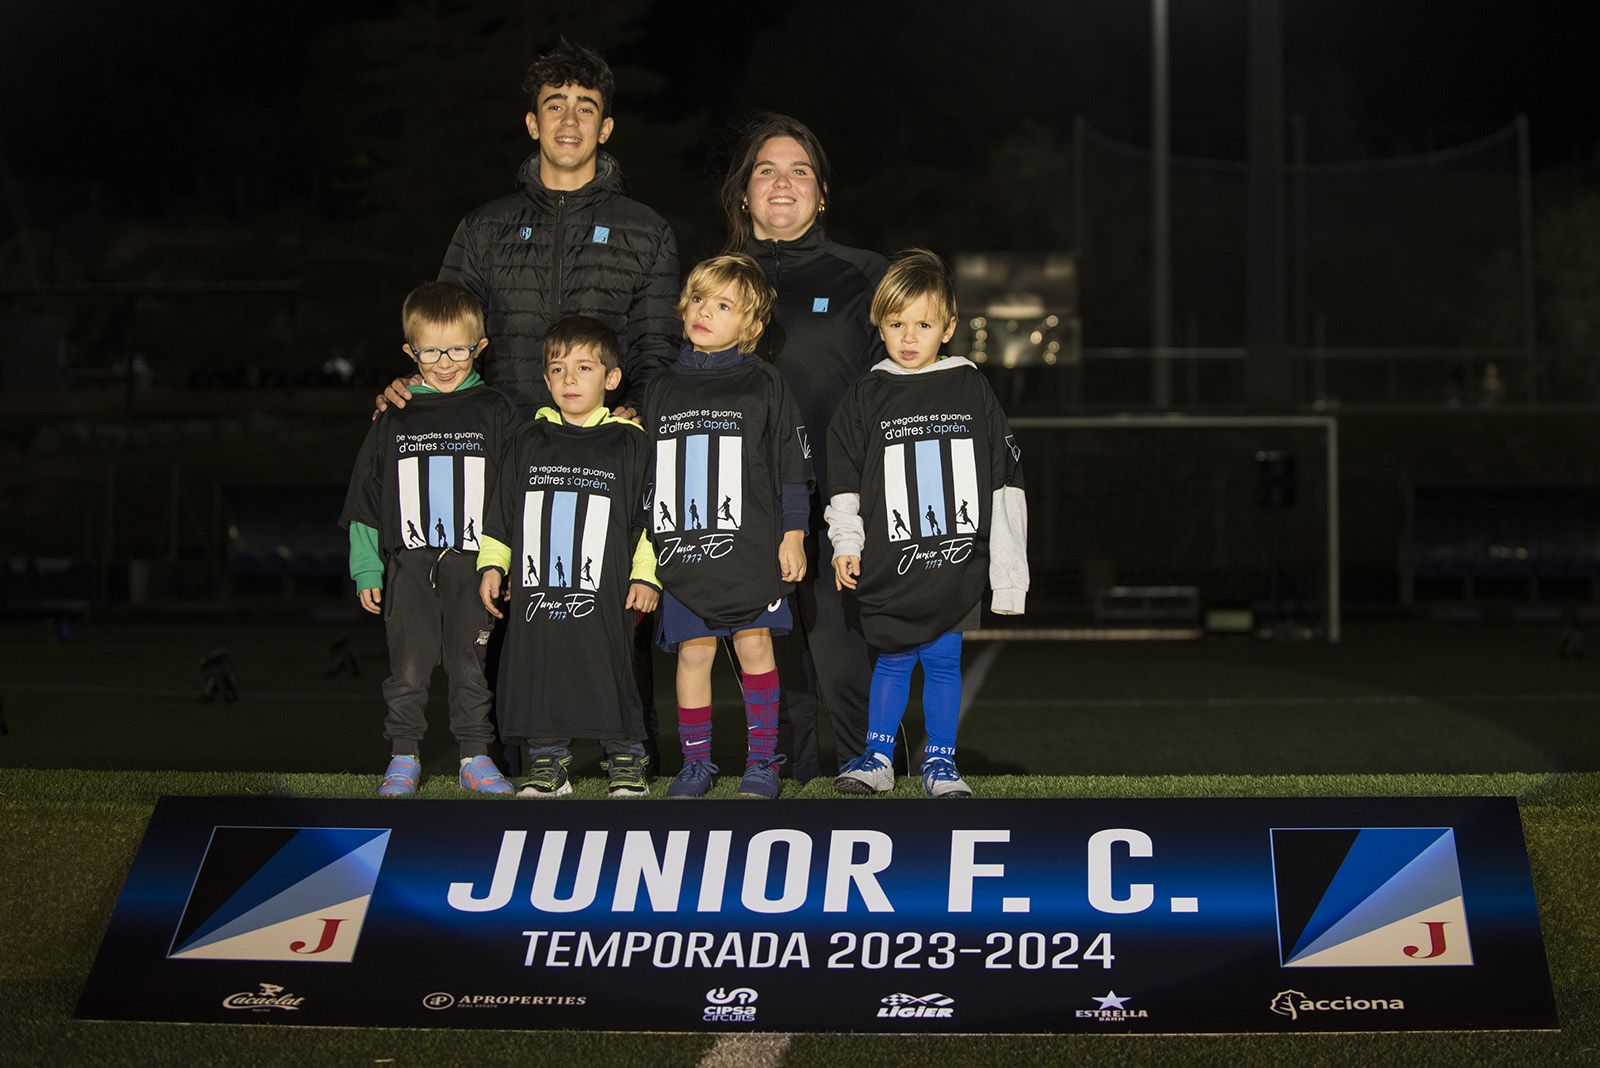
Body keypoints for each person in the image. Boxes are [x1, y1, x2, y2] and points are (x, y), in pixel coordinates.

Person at [825, 250, 1029, 798]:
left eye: (923, 324)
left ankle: (941, 762)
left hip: (955, 561)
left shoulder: (970, 386)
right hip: (891, 562)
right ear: (879, 325)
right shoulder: (867, 393)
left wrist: (1009, 575)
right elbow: (844, 479)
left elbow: (1004, 479)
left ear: (949, 327)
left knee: (942, 659)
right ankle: (877, 759)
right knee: (892, 659)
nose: (909, 337)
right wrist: (846, 542)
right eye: (897, 324)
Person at [720, 113, 887, 782]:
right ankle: (782, 783)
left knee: (845, 661)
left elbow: (903, 387)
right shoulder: (716, 283)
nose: (782, 183)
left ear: (821, 193)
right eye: (766, 171)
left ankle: (868, 776)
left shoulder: (865, 275)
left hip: (841, 507)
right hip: (746, 507)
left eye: (799, 171)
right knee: (769, 658)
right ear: (744, 193)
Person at [340, 282, 520, 797]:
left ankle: (474, 757)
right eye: (431, 351)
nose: (444, 363)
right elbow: (366, 494)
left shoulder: (498, 411)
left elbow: (515, 493)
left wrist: (505, 563)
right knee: (409, 668)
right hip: (410, 567)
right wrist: (367, 567)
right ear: (410, 351)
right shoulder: (395, 413)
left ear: (479, 347)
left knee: (470, 666)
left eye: (457, 350)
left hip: (475, 567)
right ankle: (403, 756)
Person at [645, 254, 813, 800]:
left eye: (723, 306)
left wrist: (793, 533)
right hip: (682, 548)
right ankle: (695, 764)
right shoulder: (660, 386)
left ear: (751, 326)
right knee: (694, 653)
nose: (705, 312)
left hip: (750, 547)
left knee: (755, 647)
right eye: (699, 299)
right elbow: (647, 474)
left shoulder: (764, 382)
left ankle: (763, 761)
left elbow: (790, 464)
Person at [478, 316, 660, 797]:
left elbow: (650, 517)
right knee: (541, 668)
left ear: (611, 378)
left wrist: (646, 575)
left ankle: (626, 759)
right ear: (545, 379)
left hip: (607, 589)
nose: (570, 379)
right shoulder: (527, 440)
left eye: (584, 368)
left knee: (612, 669)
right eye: (558, 369)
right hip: (538, 589)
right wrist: (493, 565)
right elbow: (501, 511)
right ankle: (547, 763)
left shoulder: (630, 441)